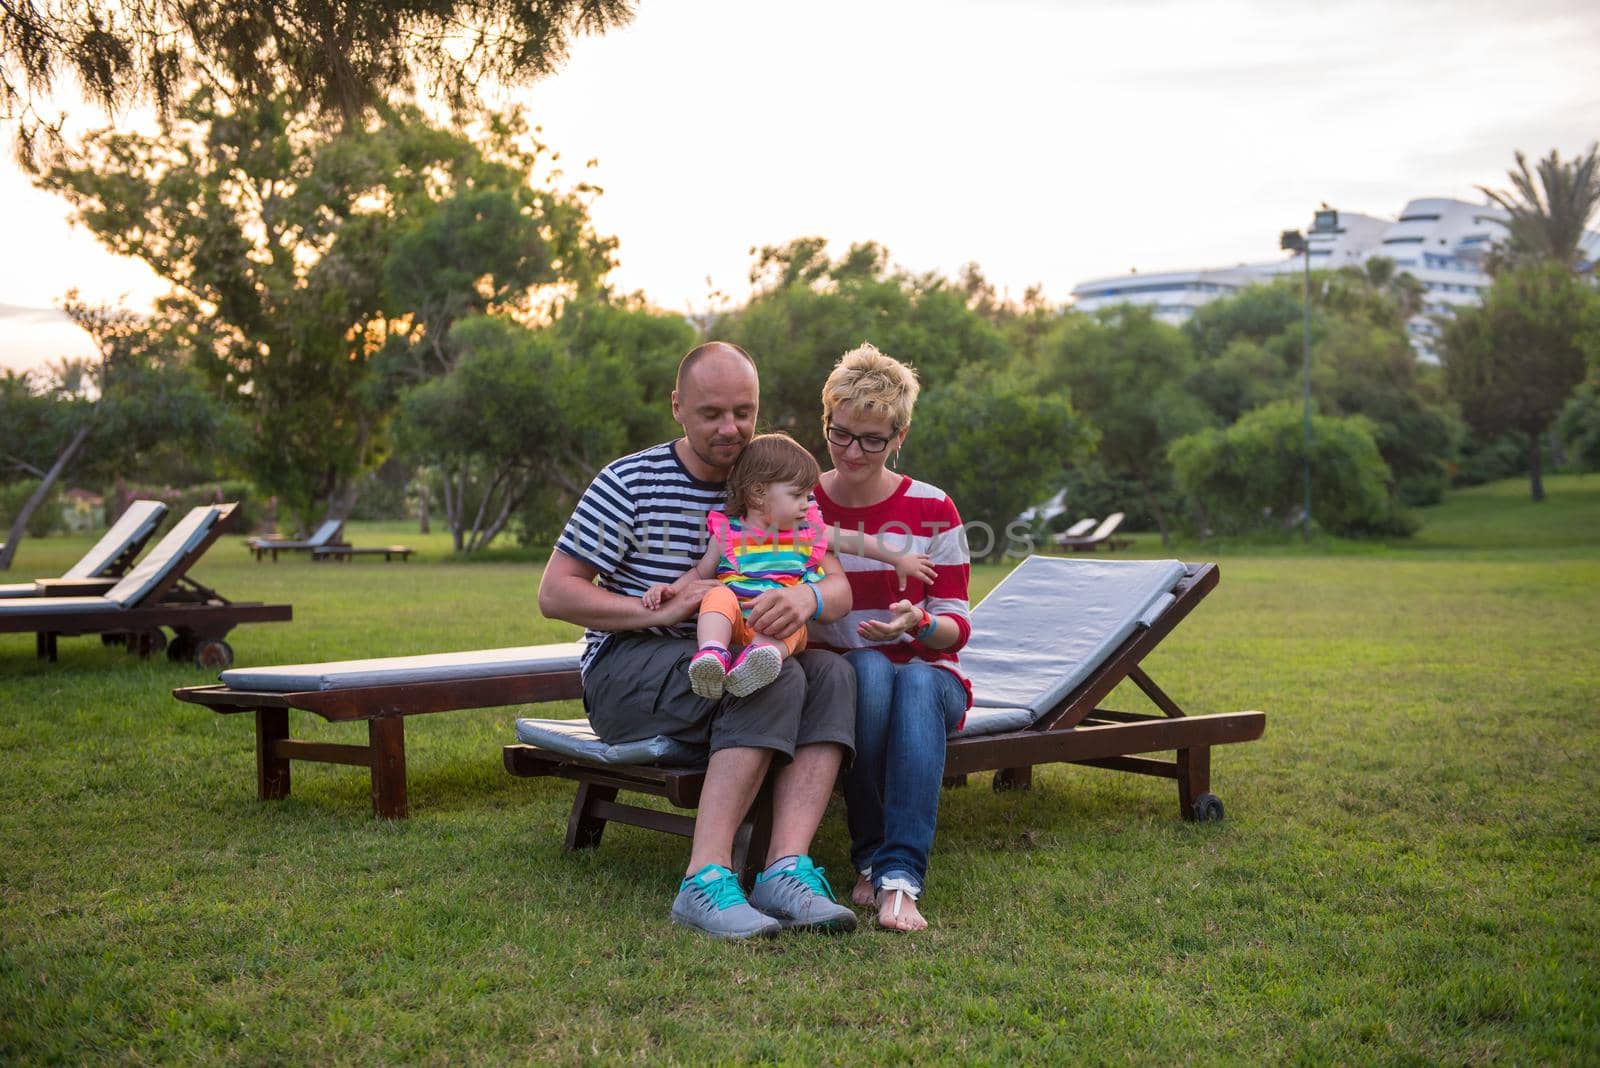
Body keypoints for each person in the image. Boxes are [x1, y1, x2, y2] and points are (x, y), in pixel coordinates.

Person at [538, 342, 860, 940]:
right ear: (677, 406)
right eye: (712, 413)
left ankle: (784, 870)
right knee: (775, 675)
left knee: (834, 674)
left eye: (744, 411)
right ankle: (704, 880)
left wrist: (807, 599)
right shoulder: (629, 481)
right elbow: (555, 593)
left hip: (740, 652)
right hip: (629, 666)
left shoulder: (774, 478)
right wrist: (651, 606)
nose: (730, 428)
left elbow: (836, 583)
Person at [808, 341, 973, 933]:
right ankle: (873, 857)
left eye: (872, 439)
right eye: (840, 433)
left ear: (898, 436)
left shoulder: (934, 509)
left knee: (910, 678)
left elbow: (956, 625)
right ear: (825, 421)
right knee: (873, 670)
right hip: (848, 677)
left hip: (931, 682)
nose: (853, 451)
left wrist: (919, 623)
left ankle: (899, 877)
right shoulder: (802, 503)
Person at [643, 432, 936, 702]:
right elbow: (699, 573)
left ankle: (763, 659)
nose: (807, 505)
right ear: (758, 493)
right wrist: (671, 590)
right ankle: (712, 653)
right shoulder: (727, 533)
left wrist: (899, 558)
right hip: (735, 625)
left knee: (791, 619)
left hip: (780, 626)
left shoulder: (808, 533)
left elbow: (855, 540)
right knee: (717, 595)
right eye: (798, 495)